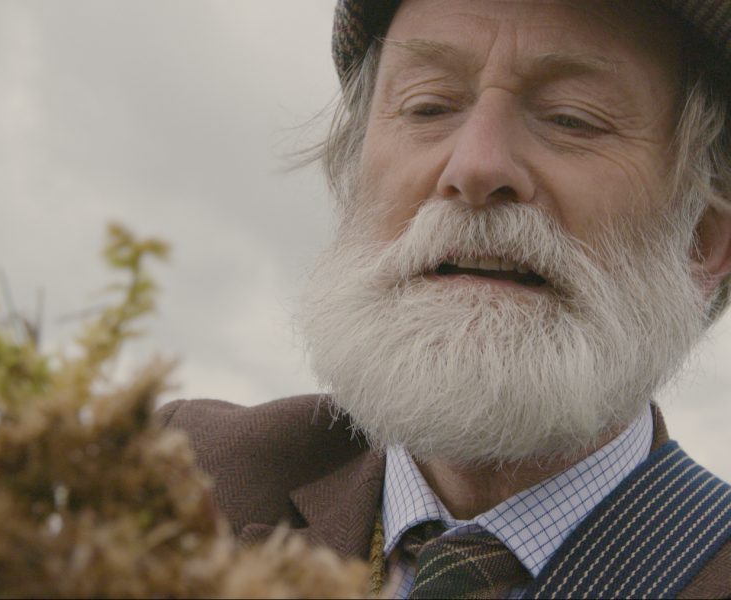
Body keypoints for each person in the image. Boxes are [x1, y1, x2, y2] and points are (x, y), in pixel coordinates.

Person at [159, 1, 731, 597]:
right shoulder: (180, 479)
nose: (476, 166)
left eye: (573, 119)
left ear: (701, 238)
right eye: (427, 106)